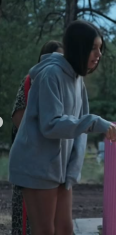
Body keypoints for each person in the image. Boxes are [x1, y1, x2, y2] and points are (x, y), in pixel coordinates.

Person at [8, 20, 116, 235]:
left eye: (100, 48)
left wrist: (72, 170)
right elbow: (51, 125)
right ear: (78, 47)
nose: (98, 54)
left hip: (60, 170)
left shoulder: (77, 79)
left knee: (65, 229)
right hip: (36, 165)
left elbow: (79, 126)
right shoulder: (50, 75)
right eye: (93, 48)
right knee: (45, 230)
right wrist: (96, 123)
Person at [10, 40, 64, 235]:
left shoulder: (58, 83)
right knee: (27, 222)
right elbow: (18, 117)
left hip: (49, 166)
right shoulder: (30, 81)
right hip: (29, 162)